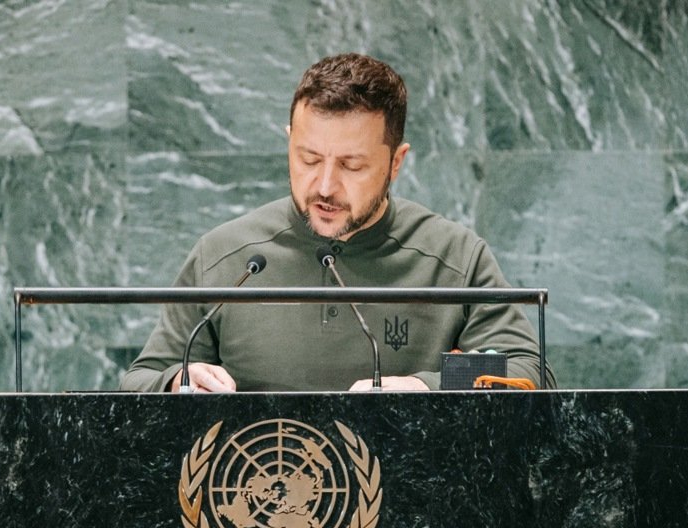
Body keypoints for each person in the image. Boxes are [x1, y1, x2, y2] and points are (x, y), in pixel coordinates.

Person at [120, 53, 554, 393]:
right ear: (290, 141)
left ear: (395, 162)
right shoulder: (224, 256)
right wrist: (178, 381)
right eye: (308, 159)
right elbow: (141, 380)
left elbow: (526, 371)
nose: (325, 186)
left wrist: (425, 386)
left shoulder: (456, 258)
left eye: (352, 165)